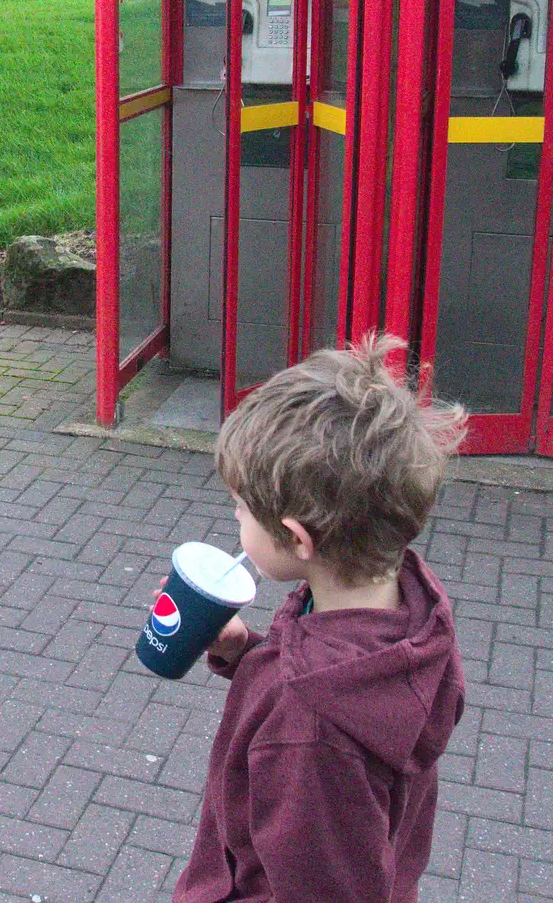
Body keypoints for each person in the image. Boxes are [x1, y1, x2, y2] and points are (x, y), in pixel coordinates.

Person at [173, 335, 468, 903]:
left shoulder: (309, 730)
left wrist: (280, 683)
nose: (234, 517)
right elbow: (335, 672)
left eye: (240, 507)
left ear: (298, 538)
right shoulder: (408, 605)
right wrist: (249, 656)